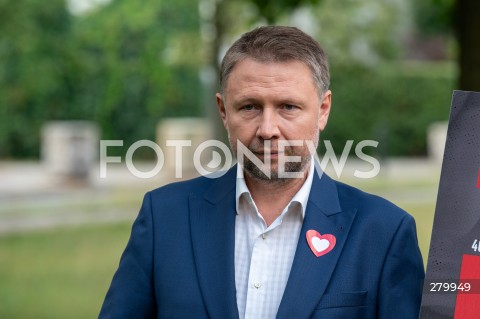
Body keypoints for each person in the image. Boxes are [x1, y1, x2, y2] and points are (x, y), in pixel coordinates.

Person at [99, 26, 424, 319]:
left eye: (288, 107)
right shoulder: (163, 217)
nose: (268, 129)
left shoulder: (384, 231)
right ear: (224, 111)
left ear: (323, 110)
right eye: (250, 107)